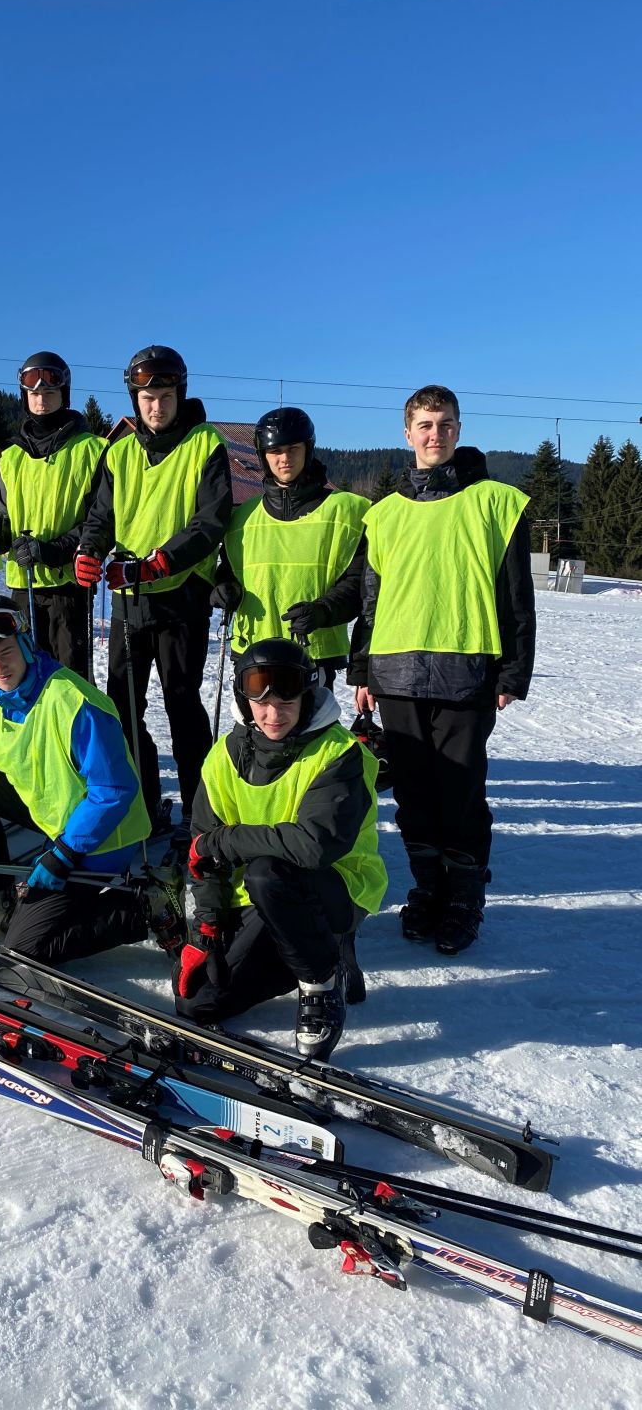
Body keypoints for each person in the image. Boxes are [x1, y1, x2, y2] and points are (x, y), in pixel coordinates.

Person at [351, 385, 535, 955]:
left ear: (459, 429)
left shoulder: (496, 503)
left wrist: (512, 673)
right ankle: (428, 889)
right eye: (426, 425)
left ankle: (463, 899)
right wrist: (362, 671)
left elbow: (516, 596)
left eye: (446, 424)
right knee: (413, 796)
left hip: (466, 673)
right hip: (396, 674)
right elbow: (371, 601)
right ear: (407, 433)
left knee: (459, 793)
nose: (436, 434)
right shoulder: (382, 514)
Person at [0, 594, 182, 960]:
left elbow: (113, 790)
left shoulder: (74, 702)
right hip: (53, 815)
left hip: (103, 839)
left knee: (25, 947)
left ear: (25, 644)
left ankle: (147, 905)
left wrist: (65, 854)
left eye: (6, 652)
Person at [175, 640, 386, 1059]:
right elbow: (203, 850)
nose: (274, 714)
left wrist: (227, 840)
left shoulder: (341, 753)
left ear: (307, 695)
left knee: (268, 872)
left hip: (335, 888)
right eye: (262, 702)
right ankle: (304, 950)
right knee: (197, 1003)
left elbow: (313, 846)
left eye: (287, 700)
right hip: (257, 898)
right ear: (244, 699)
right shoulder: (223, 756)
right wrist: (208, 927)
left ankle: (320, 981)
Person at [75, 345, 232, 838]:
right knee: (123, 705)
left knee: (182, 705)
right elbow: (102, 515)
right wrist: (89, 550)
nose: (156, 406)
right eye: (147, 398)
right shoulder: (119, 451)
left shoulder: (205, 443)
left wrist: (163, 560)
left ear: (179, 394)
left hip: (181, 594)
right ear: (135, 400)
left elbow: (211, 520)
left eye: (164, 396)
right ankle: (142, 802)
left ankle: (198, 813)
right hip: (129, 596)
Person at [212, 408, 369, 691]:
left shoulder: (348, 510)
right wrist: (226, 588)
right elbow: (231, 571)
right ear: (263, 456)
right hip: (253, 651)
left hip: (313, 654)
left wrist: (323, 611)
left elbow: (359, 583)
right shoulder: (242, 516)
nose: (284, 458)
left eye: (293, 449)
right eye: (275, 451)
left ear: (308, 449)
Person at [0, 351, 105, 677]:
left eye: (49, 391)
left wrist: (54, 550)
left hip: (68, 588)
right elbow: (4, 517)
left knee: (68, 680)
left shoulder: (92, 449)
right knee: (26, 677)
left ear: (64, 393)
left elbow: (100, 520)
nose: (41, 398)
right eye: (33, 392)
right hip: (23, 586)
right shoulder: (11, 457)